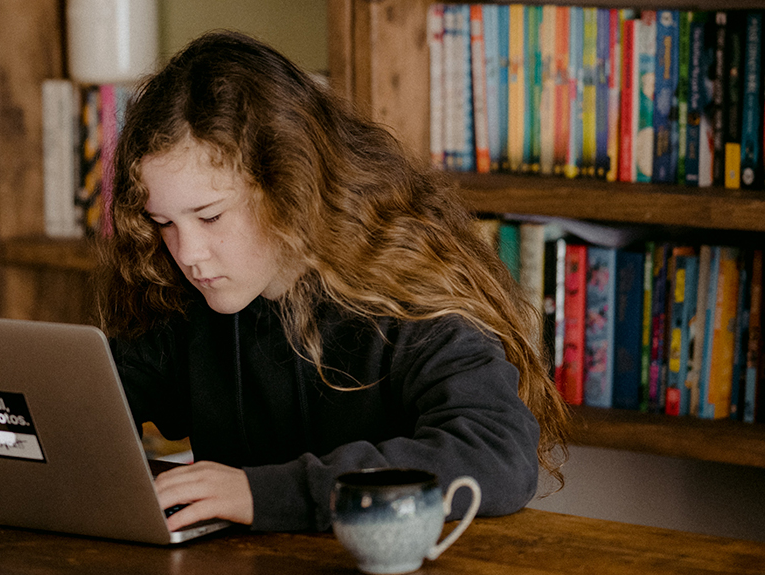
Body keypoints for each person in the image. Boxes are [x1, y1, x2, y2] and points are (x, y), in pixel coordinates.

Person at [100, 30, 569, 533]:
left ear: (290, 187)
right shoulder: (183, 295)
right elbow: (100, 405)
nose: (188, 254)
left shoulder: (409, 290)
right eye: (164, 223)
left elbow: (496, 454)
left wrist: (261, 494)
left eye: (210, 217)